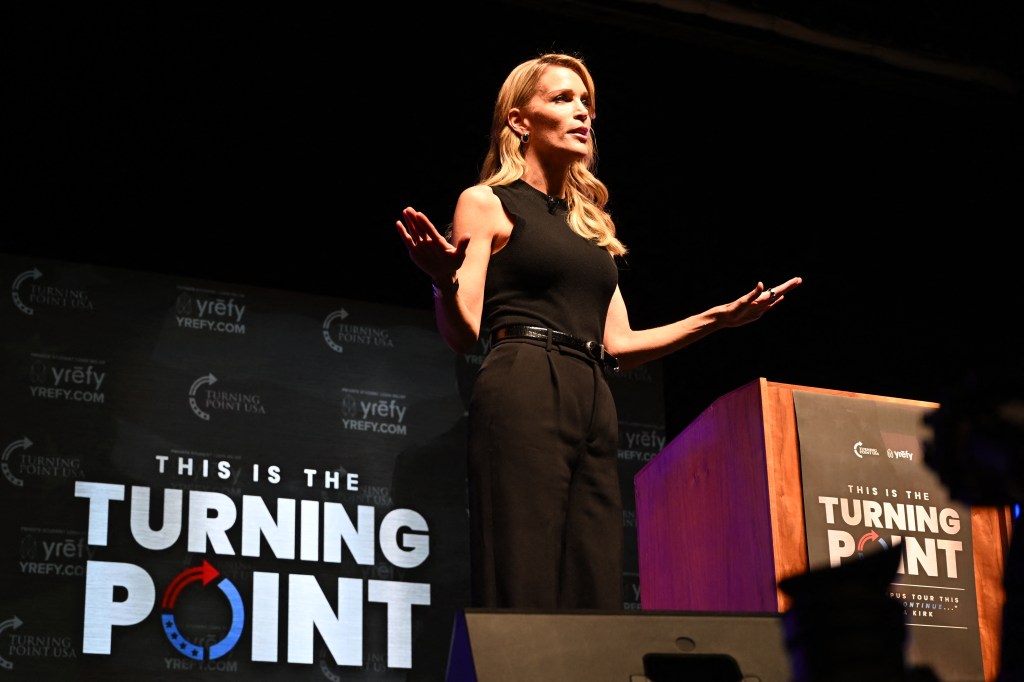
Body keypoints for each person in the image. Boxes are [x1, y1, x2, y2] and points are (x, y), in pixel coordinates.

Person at [394, 52, 802, 611]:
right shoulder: (486, 202)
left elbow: (621, 345)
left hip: (593, 393)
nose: (582, 111)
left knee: (594, 580)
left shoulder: (591, 224)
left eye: (586, 101)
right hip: (524, 381)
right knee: (524, 567)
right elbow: (464, 333)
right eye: (562, 99)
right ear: (519, 121)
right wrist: (444, 281)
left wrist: (717, 320)